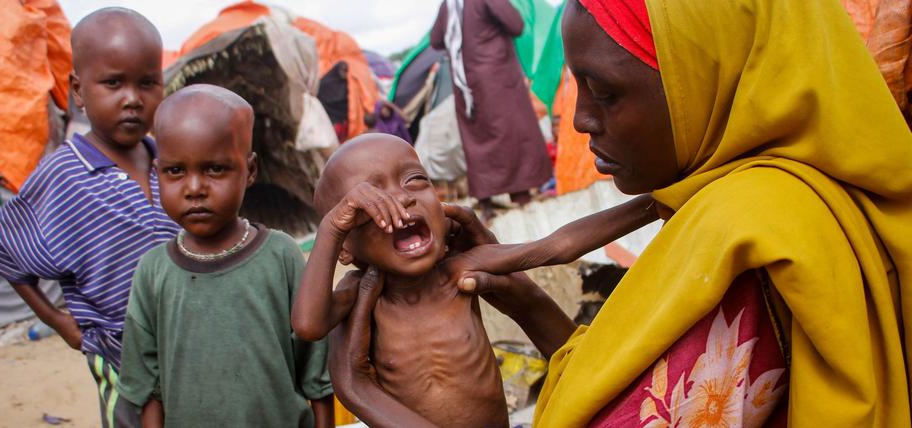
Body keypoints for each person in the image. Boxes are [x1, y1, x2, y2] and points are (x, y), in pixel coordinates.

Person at [335, 0, 912, 426]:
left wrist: (359, 390)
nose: (581, 118)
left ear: (705, 78)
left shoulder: (747, 230)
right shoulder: (794, 197)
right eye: (575, 89)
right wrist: (530, 301)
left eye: (605, 92)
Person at [291, 133, 651, 427]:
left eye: (415, 180)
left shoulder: (461, 269)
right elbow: (308, 324)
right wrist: (333, 227)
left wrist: (656, 202)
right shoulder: (361, 297)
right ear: (346, 248)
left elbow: (557, 246)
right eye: (371, 204)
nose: (401, 198)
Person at [0, 8, 178, 427]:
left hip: (190, 343)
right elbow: (4, 251)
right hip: (117, 352)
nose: (132, 98)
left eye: (147, 83)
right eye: (113, 83)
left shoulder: (172, 161)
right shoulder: (65, 174)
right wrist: (57, 321)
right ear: (78, 90)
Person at [117, 85, 334, 427]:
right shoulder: (153, 271)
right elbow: (148, 388)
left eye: (215, 169)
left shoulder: (281, 256)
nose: (194, 188)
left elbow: (317, 373)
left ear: (249, 171)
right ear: (156, 173)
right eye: (175, 171)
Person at [431, 0, 552, 222]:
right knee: (513, 133)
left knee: (477, 141)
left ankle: (486, 202)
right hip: (498, 79)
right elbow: (516, 25)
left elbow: (436, 40)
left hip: (466, 86)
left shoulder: (449, 5)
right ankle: (521, 196)